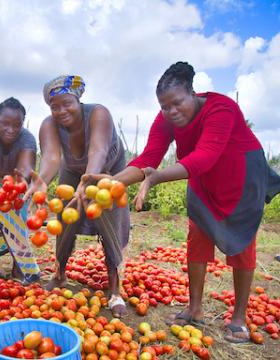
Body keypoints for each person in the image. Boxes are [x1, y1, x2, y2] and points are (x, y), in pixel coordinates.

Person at [83, 62, 280, 342]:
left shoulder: (221, 108)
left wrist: (156, 178)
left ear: (192, 93)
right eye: (165, 106)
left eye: (177, 103)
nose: (171, 112)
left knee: (242, 245)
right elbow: (148, 158)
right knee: (197, 238)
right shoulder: (166, 120)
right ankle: (195, 307)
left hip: (241, 177)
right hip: (200, 176)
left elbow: (206, 156)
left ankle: (238, 317)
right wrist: (112, 182)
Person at [25, 75, 130, 317]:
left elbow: (98, 149)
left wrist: (90, 180)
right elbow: (51, 157)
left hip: (108, 171)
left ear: (77, 99)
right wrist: (43, 180)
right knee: (63, 221)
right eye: (54, 106)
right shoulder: (49, 125)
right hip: (72, 171)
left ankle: (115, 291)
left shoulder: (98, 113)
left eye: (66, 103)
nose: (61, 111)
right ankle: (59, 273)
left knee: (112, 224)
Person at [0, 97, 41, 285]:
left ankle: (20, 267)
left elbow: (26, 166)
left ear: (22, 124)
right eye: (5, 123)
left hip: (15, 184)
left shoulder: (27, 138)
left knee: (18, 226)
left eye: (16, 125)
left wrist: (22, 179)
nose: (10, 130)